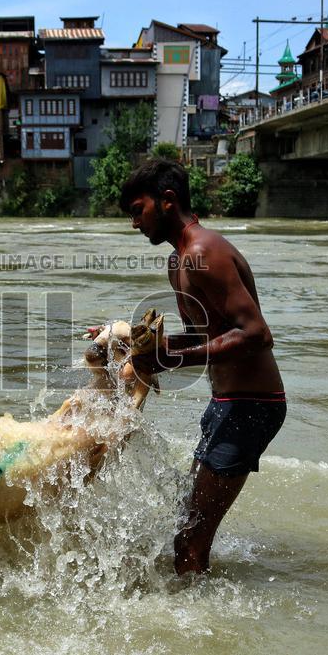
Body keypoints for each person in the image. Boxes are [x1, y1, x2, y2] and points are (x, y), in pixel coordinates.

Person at [119, 159, 285, 576]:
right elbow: (202, 338)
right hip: (227, 402)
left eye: (138, 210)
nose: (134, 223)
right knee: (185, 521)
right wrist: (132, 344)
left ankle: (198, 632)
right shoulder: (180, 262)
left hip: (251, 404)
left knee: (188, 540)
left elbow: (256, 334)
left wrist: (169, 357)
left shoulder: (203, 252)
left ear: (167, 200)